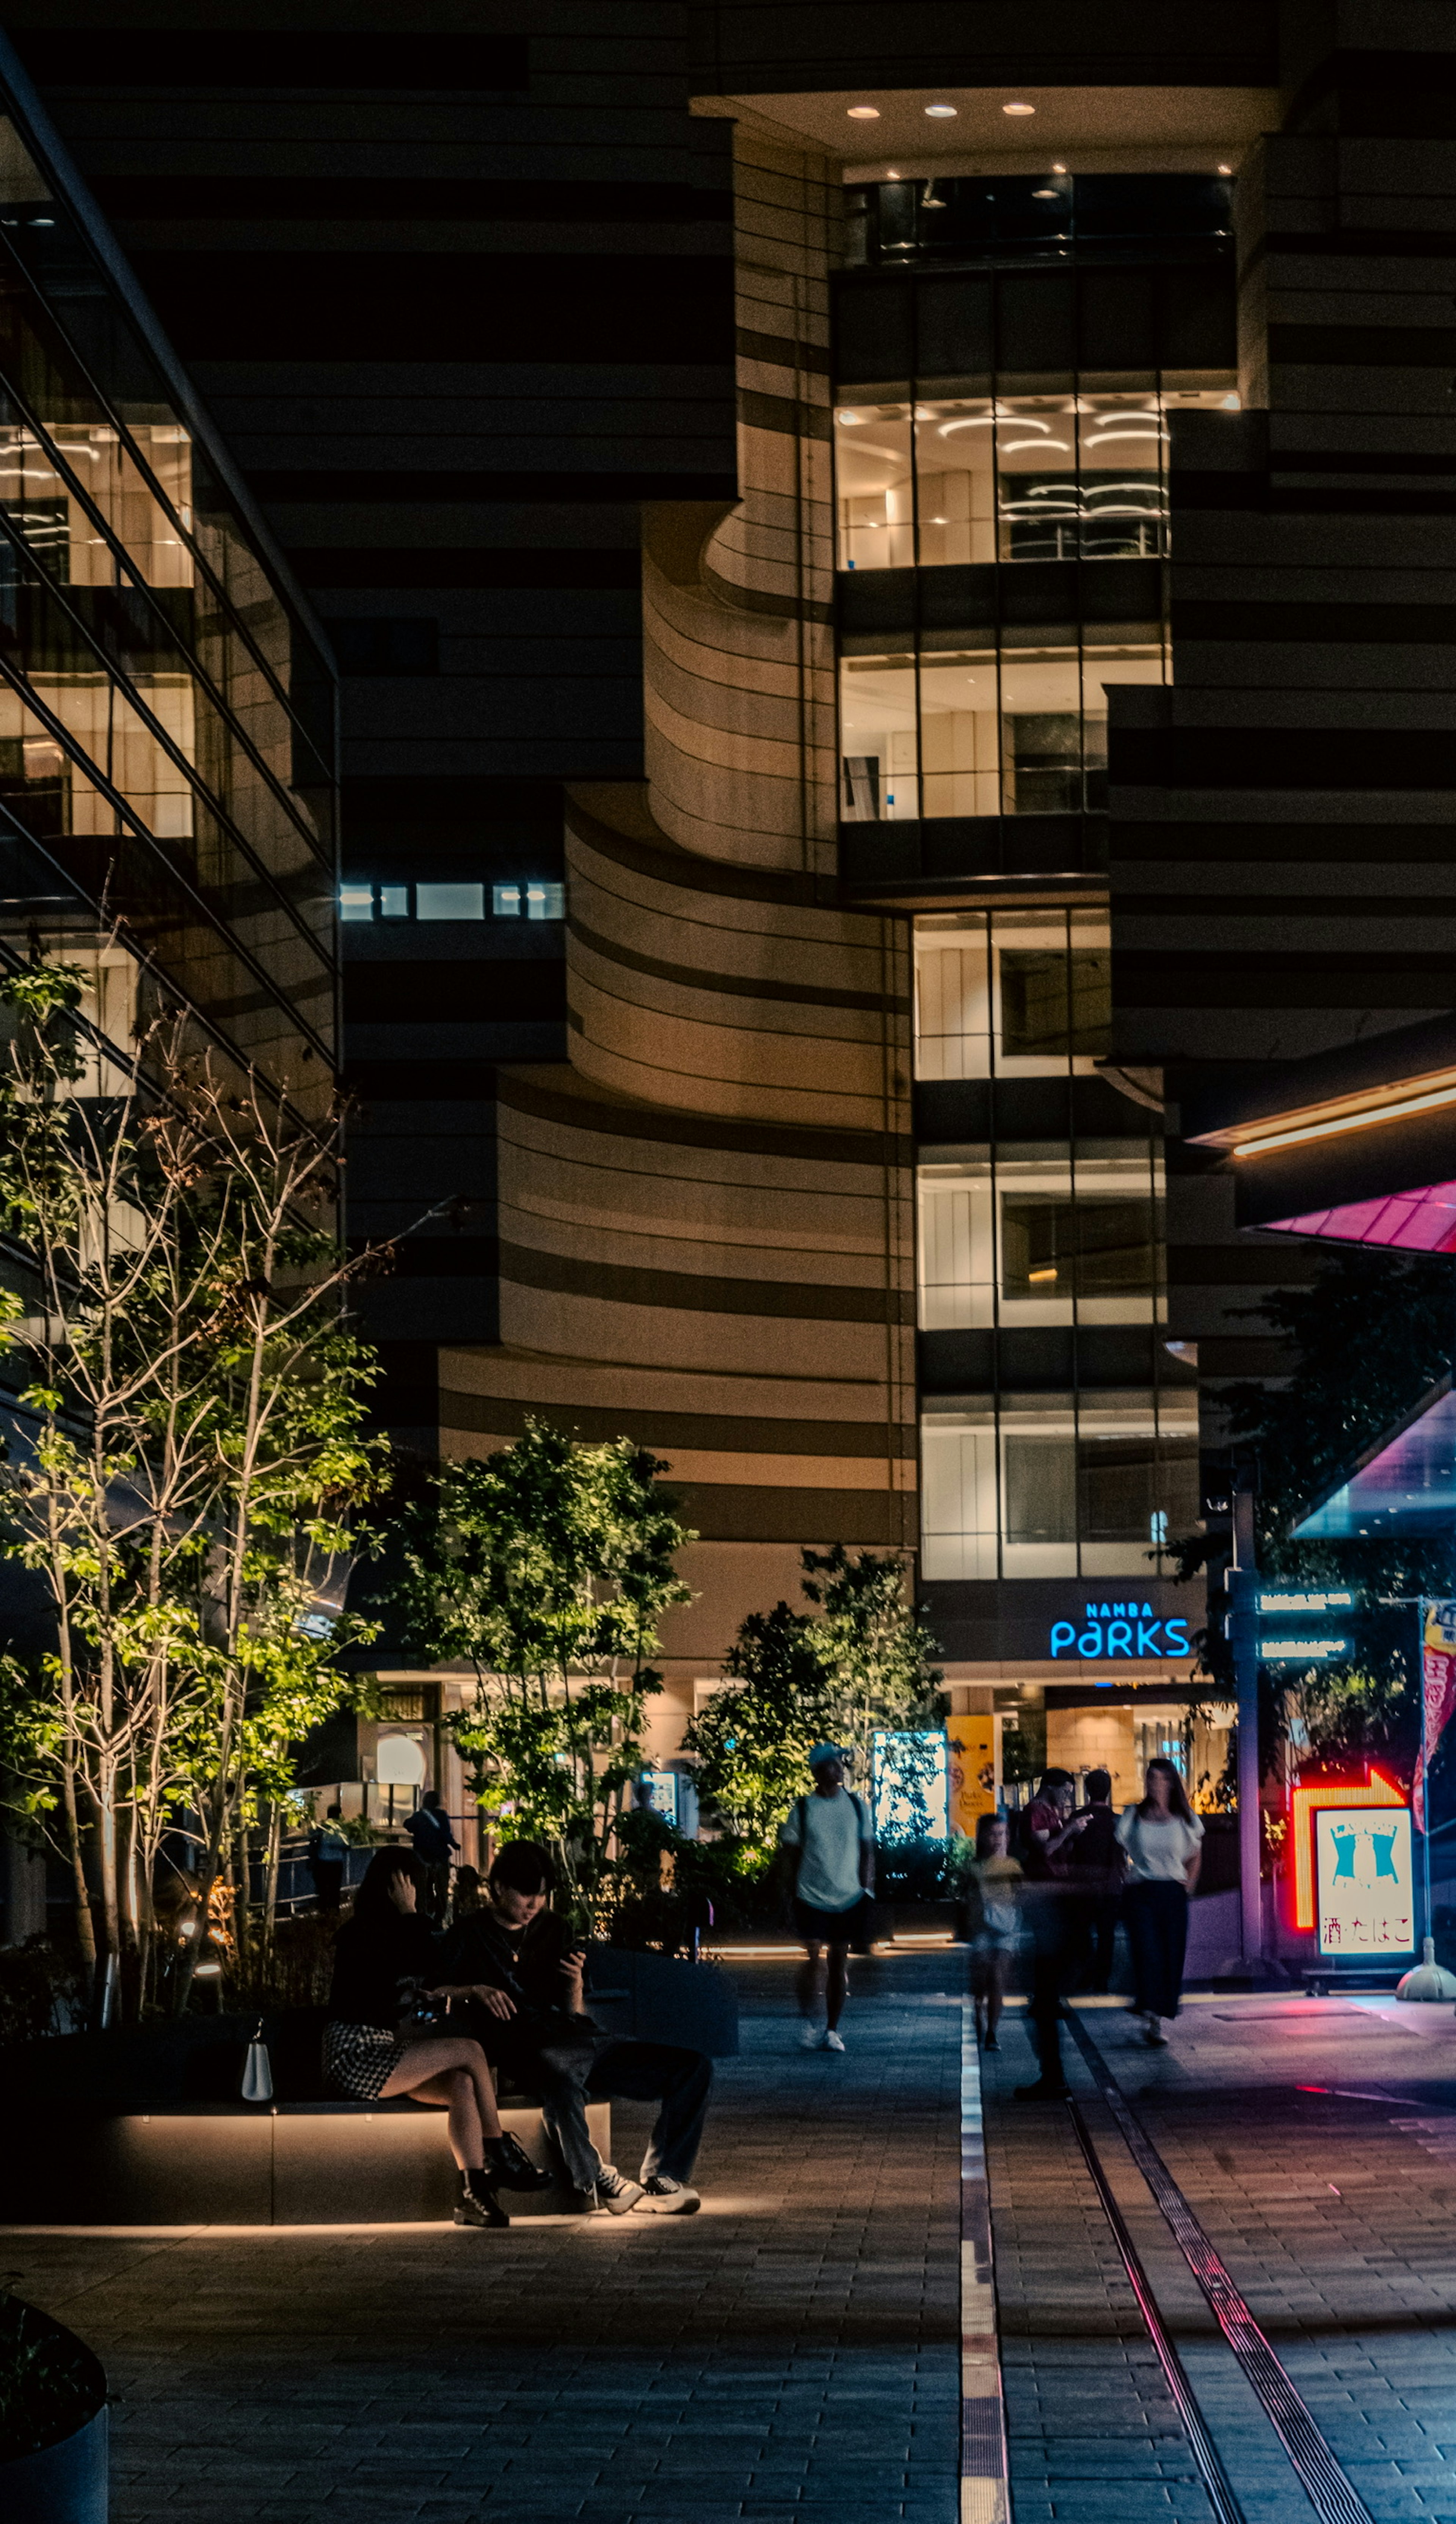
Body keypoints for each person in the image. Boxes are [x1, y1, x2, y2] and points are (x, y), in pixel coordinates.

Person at [437, 1839, 713, 2216]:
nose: (535, 1904)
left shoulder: (554, 1928)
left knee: (692, 2067)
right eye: (526, 1894)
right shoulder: (470, 1934)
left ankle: (664, 2177)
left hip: (579, 2039)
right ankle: (597, 2177)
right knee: (562, 2085)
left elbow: (573, 2011)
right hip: (527, 2049)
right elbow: (432, 1990)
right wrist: (474, 1990)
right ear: (500, 1887)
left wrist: (574, 1984)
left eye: (542, 1895)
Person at [324, 1845, 553, 2226]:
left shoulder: (396, 1932)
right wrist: (409, 1912)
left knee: (462, 2083)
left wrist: (430, 2000)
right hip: (354, 2054)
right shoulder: (361, 1933)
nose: (416, 1891)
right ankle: (499, 2151)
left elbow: (415, 1984)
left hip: (387, 2049)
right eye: (409, 1884)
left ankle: (474, 2194)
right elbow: (423, 1961)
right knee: (469, 2050)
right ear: (394, 1887)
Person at [778, 1743, 876, 2053]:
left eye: (840, 1765)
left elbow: (868, 1850)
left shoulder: (857, 1806)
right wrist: (787, 1894)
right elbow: (789, 1854)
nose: (839, 1769)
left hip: (848, 1896)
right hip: (810, 1894)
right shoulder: (804, 1808)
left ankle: (832, 2029)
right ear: (818, 1771)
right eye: (832, 1765)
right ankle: (809, 2021)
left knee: (839, 1961)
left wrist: (867, 1888)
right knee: (812, 1958)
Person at [1014, 1768, 1090, 2100]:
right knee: (1046, 1984)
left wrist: (1072, 1832)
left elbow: (1059, 1850)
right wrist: (1071, 1828)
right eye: (1064, 1791)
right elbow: (1044, 1851)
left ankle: (1053, 2074)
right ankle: (1052, 2073)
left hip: (1057, 1899)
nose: (1066, 1798)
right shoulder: (1034, 1812)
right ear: (1050, 1787)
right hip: (1044, 1898)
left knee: (1049, 1986)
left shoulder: (1053, 1813)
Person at [1116, 1758, 1203, 2046]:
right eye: (1150, 1778)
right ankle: (1148, 2009)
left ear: (1171, 1782)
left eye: (1161, 1778)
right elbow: (1119, 1847)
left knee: (1170, 1953)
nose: (1154, 1784)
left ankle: (1158, 2017)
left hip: (1172, 1892)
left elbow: (1195, 1853)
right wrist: (1125, 1876)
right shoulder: (1134, 1815)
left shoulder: (1184, 1817)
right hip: (1142, 1890)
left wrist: (1188, 1885)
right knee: (1147, 1950)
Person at [1067, 1769, 1125, 1995]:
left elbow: (1069, 1850)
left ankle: (1088, 1969)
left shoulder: (1077, 1819)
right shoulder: (1117, 1821)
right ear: (1109, 1791)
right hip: (1111, 1884)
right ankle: (1102, 1979)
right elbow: (1122, 1853)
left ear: (1087, 1790)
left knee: (1081, 1931)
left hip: (1082, 1884)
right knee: (1107, 1935)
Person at [967, 1811, 1021, 2051]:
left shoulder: (1013, 1865)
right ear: (982, 1837)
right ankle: (978, 2008)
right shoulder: (973, 1867)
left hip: (1007, 1928)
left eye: (1002, 1834)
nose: (997, 1839)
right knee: (981, 1982)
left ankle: (992, 2032)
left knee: (998, 1978)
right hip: (981, 1929)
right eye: (992, 1834)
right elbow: (967, 1900)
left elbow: (1021, 1896)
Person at [404, 1789, 458, 1922]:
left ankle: (423, 1916)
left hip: (422, 1858)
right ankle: (440, 1918)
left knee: (422, 1889)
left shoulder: (419, 1816)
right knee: (442, 1889)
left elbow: (407, 1825)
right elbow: (446, 1833)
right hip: (440, 1857)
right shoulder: (442, 1815)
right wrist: (454, 1844)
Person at [308, 1804, 349, 1912]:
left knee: (323, 1889)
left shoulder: (322, 1827)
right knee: (335, 1889)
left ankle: (324, 1912)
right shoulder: (341, 1829)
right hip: (336, 1863)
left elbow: (313, 1841)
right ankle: (334, 1912)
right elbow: (348, 1846)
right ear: (338, 1815)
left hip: (322, 1862)